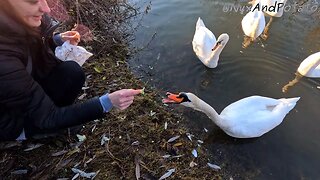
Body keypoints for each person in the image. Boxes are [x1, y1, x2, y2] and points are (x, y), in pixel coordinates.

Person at [0, 0, 142, 141]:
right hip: (12, 121)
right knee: (48, 119)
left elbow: (24, 46)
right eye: (32, 1)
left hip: (22, 89)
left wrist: (57, 40)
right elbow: (48, 117)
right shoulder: (3, 61)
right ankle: (34, 132)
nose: (46, 8)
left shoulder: (18, 18)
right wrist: (107, 102)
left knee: (72, 72)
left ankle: (57, 116)